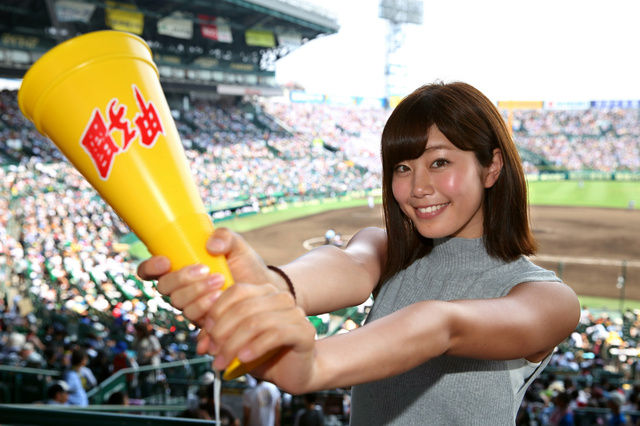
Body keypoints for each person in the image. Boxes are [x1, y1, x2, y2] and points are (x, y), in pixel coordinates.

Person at [138, 82, 580, 424]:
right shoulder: (388, 248)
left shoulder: (549, 300)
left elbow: (443, 326)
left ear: (492, 166)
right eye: (402, 167)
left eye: (439, 162)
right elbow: (346, 263)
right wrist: (271, 286)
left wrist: (314, 365)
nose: (417, 187)